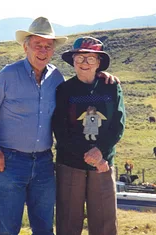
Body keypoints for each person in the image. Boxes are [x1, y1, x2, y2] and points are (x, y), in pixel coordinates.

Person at [0, 17, 118, 235]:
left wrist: (100, 76)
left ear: (52, 50)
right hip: (10, 162)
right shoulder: (8, 75)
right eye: (37, 45)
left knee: (44, 229)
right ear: (26, 47)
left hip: (43, 162)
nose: (43, 50)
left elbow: (80, 91)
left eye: (48, 46)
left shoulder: (56, 77)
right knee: (8, 228)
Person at [52, 36, 126, 235]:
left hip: (103, 164)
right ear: (73, 61)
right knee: (68, 222)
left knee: (105, 222)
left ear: (99, 62)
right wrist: (90, 155)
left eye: (90, 58)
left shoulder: (111, 87)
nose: (85, 63)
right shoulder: (64, 90)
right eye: (80, 58)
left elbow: (118, 125)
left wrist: (99, 154)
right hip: (70, 164)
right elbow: (61, 130)